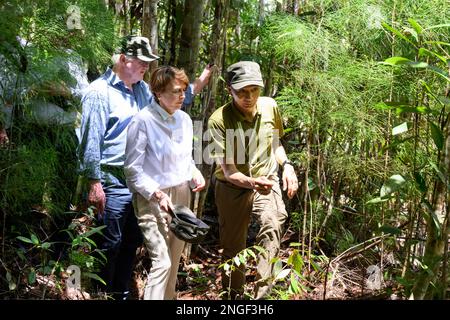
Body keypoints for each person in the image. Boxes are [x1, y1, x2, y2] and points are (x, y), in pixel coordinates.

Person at [77, 35, 212, 300]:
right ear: (124, 59)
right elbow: (91, 139)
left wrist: (201, 81)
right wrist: (94, 182)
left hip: (143, 182)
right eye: (141, 62)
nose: (145, 68)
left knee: (131, 242)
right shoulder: (99, 92)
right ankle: (102, 293)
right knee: (109, 242)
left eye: (149, 63)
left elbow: (172, 102)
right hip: (112, 177)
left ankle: (122, 292)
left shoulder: (141, 89)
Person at [207, 61, 299, 299]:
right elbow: (229, 171)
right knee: (233, 246)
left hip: (266, 179)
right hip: (231, 186)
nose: (249, 97)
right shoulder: (219, 120)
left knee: (272, 224)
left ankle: (262, 297)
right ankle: (233, 296)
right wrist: (251, 182)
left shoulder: (270, 107)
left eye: (254, 90)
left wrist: (287, 166)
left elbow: (276, 142)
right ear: (229, 90)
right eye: (242, 92)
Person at [124, 66, 205, 300]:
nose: (182, 96)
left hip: (182, 195)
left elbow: (185, 159)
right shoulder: (142, 121)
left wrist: (194, 172)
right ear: (158, 93)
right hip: (152, 197)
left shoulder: (185, 120)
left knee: (174, 260)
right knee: (162, 262)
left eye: (184, 91)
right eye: (176, 92)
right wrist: (157, 194)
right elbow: (132, 170)